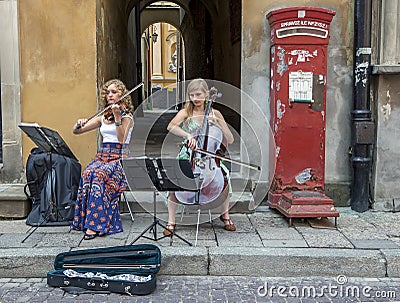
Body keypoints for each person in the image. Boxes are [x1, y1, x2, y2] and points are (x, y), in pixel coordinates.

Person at [163, 78, 236, 236]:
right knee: (174, 183)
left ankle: (225, 215)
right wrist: (188, 135)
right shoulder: (186, 112)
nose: (195, 98)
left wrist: (218, 124)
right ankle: (171, 221)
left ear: (206, 94)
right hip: (188, 155)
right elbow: (171, 126)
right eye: (191, 95)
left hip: (209, 158)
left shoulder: (214, 113)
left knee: (224, 177)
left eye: (198, 94)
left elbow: (230, 139)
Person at [70, 79, 134, 240]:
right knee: (88, 173)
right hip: (102, 156)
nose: (110, 95)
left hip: (119, 159)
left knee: (99, 175)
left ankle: (96, 225)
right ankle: (86, 220)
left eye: (114, 92)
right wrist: (78, 124)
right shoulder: (103, 118)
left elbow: (121, 140)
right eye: (108, 93)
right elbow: (77, 132)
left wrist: (118, 116)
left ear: (122, 95)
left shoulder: (127, 117)